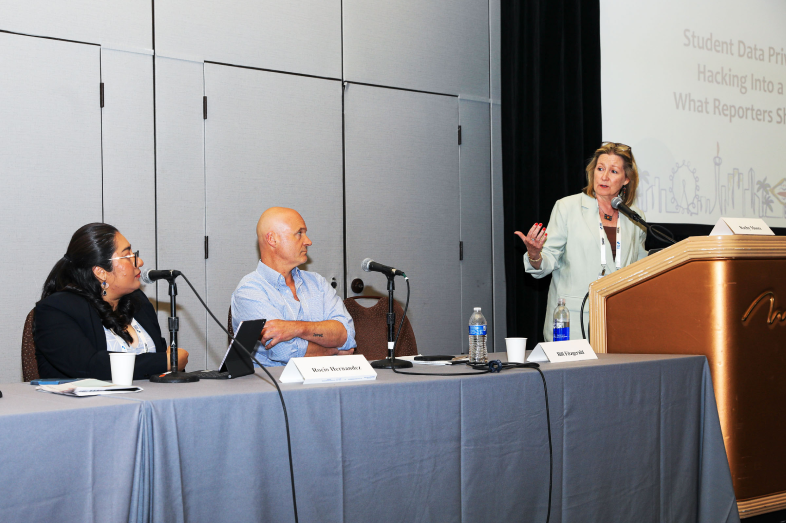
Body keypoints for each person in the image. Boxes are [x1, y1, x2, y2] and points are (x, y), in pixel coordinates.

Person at [515, 142, 648, 342]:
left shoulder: (635, 216)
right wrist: (535, 255)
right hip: (573, 321)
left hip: (619, 321)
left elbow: (639, 265)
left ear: (626, 179)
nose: (604, 176)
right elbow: (548, 259)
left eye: (613, 171)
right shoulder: (568, 207)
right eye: (600, 168)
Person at [34, 223, 189, 380]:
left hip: (148, 402)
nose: (139, 262)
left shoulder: (138, 302)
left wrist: (170, 364)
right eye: (128, 256)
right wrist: (167, 362)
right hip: (86, 403)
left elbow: (161, 362)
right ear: (101, 272)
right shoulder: (56, 310)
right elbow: (91, 366)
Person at [231, 207, 356, 366]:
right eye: (299, 233)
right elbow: (283, 351)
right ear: (272, 239)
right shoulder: (249, 291)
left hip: (325, 383)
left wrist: (297, 328)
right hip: (277, 387)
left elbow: (346, 335)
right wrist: (335, 351)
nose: (308, 241)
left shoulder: (317, 283)